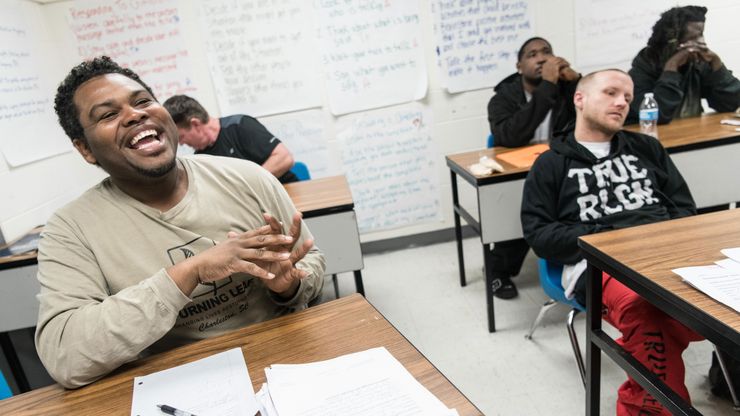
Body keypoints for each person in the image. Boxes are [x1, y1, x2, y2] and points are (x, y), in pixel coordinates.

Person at [35, 56, 325, 389]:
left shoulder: (249, 177)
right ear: (85, 148)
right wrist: (189, 272)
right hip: (176, 385)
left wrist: (289, 286)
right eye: (109, 114)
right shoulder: (70, 230)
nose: (135, 114)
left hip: (282, 363)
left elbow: (312, 262)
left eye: (143, 101)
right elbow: (66, 357)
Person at [521, 69, 703, 415]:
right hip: (598, 265)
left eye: (628, 98)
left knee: (722, 298)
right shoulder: (550, 165)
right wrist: (607, 239)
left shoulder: (647, 148)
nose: (622, 102)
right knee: (646, 310)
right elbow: (540, 236)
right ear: (580, 98)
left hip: (664, 252)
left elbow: (684, 208)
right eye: (610, 92)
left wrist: (662, 238)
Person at [485, 37, 580, 299]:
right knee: (519, 212)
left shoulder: (567, 90)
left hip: (560, 168)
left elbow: (589, 120)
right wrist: (548, 86)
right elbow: (509, 136)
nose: (540, 58)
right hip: (518, 174)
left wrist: (576, 81)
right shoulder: (502, 98)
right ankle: (497, 270)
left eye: (546, 52)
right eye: (532, 54)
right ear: (519, 66)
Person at [627, 5, 740, 124]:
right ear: (673, 41)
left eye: (701, 35)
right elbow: (657, 116)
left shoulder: (697, 63)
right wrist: (672, 68)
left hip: (690, 134)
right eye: (693, 38)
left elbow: (733, 104)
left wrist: (716, 63)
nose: (702, 42)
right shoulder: (643, 69)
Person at [163, 95, 298, 183]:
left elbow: (284, 158)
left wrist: (248, 186)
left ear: (195, 124)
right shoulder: (201, 158)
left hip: (286, 191)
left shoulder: (240, 125)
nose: (180, 143)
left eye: (181, 137)